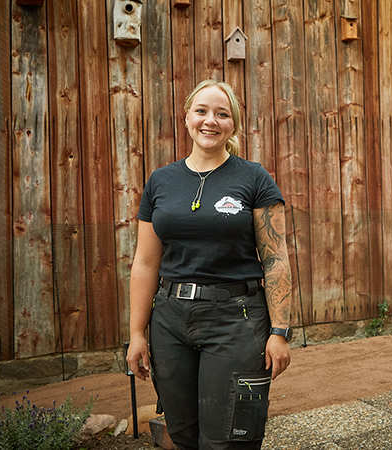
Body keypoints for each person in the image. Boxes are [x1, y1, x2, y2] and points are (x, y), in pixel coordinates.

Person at [125, 79, 292, 450]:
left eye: (222, 113)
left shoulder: (254, 178)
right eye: (201, 111)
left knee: (230, 436)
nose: (210, 121)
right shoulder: (160, 181)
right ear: (186, 117)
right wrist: (138, 333)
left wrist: (279, 331)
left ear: (233, 124)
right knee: (181, 433)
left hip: (237, 320)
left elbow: (276, 259)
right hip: (170, 321)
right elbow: (146, 262)